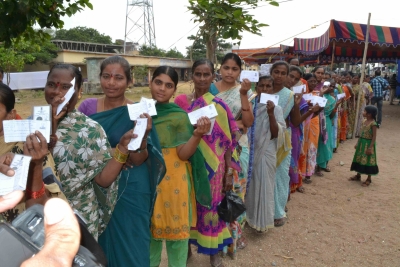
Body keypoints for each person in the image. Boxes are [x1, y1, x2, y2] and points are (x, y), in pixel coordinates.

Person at [79, 56, 166, 267]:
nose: (111, 83)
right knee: (101, 247)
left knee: (133, 244)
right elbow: (80, 149)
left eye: (118, 78)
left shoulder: (138, 111)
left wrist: (143, 136)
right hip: (96, 185)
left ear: (129, 81)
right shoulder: (87, 108)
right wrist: (115, 152)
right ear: (99, 78)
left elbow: (138, 159)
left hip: (132, 186)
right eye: (106, 76)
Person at [175, 59, 239, 267]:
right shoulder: (181, 103)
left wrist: (229, 171)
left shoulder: (219, 105)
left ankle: (213, 252)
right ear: (191, 76)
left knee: (211, 207)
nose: (202, 79)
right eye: (198, 74)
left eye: (206, 74)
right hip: (186, 161)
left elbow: (229, 142)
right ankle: (185, 248)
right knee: (187, 206)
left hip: (215, 168)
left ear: (213, 76)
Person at [148, 66, 212, 267]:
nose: (162, 89)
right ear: (150, 82)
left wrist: (197, 135)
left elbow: (183, 154)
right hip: (149, 181)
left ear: (174, 90)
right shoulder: (140, 112)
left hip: (176, 181)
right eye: (158, 82)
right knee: (150, 240)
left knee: (177, 242)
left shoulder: (179, 116)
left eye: (168, 85)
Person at [209, 52, 253, 256]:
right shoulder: (209, 88)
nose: (230, 72)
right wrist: (236, 124)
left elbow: (249, 122)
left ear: (240, 71)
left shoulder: (243, 91)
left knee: (235, 192)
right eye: (226, 68)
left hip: (238, 148)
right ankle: (215, 238)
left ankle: (233, 239)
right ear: (220, 69)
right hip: (212, 147)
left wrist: (244, 94)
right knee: (216, 193)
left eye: (235, 69)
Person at [0, 83, 64, 222]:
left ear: (10, 115)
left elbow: (47, 206)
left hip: (19, 235)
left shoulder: (30, 149)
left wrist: (35, 166)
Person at [246, 75, 286, 232]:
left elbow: (276, 134)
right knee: (251, 185)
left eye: (268, 86)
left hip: (267, 150)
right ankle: (249, 217)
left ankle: (261, 222)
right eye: (261, 86)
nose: (264, 89)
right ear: (256, 88)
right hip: (251, 149)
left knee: (264, 184)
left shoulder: (277, 108)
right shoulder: (250, 105)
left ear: (272, 88)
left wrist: (270, 113)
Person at [268, 61, 302, 227]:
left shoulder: (289, 95)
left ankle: (278, 212)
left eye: (283, 73)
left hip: (281, 140)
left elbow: (294, 121)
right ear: (271, 72)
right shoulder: (263, 89)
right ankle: (264, 209)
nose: (279, 76)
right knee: (264, 175)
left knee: (281, 175)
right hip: (263, 138)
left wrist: (297, 105)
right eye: (276, 72)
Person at [285, 66, 319, 194]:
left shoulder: (296, 96)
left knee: (287, 165)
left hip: (291, 134)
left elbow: (297, 121)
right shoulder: (270, 90)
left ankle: (286, 192)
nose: (292, 80)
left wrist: (312, 110)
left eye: (296, 78)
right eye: (290, 76)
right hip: (272, 134)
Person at [315, 79, 343, 176]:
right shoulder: (318, 95)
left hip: (326, 122)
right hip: (316, 120)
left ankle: (323, 165)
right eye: (328, 86)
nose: (330, 88)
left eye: (332, 86)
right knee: (317, 143)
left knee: (325, 143)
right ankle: (316, 166)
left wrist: (336, 106)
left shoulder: (332, 100)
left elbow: (331, 116)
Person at [349, 105, 379, 187]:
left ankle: (369, 178)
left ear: (369, 114)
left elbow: (374, 137)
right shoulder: (364, 121)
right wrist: (357, 143)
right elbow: (361, 133)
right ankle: (358, 175)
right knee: (359, 158)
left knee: (368, 160)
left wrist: (370, 147)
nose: (363, 112)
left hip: (368, 144)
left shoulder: (373, 124)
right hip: (362, 143)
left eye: (365, 111)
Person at [299, 74, 320, 184]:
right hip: (303, 122)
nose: (313, 83)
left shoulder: (318, 94)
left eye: (315, 81)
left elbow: (320, 110)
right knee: (302, 147)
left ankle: (308, 173)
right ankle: (300, 173)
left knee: (311, 147)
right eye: (310, 81)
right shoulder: (301, 95)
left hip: (313, 123)